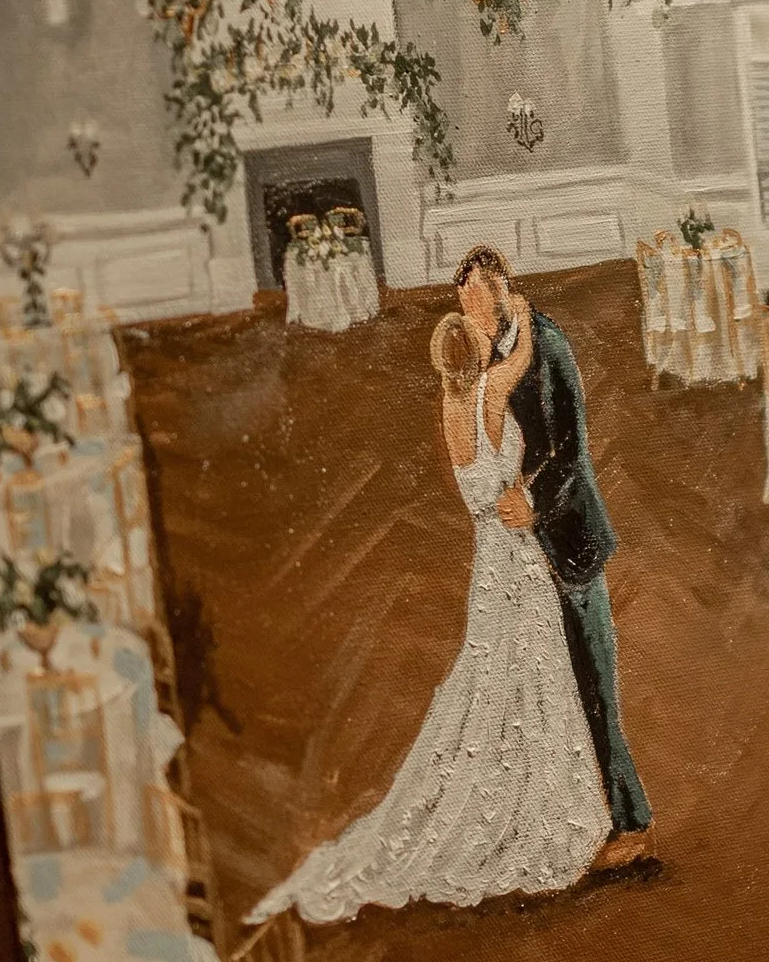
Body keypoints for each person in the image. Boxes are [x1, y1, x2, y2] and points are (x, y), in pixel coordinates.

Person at [246, 303, 609, 926]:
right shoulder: (489, 398)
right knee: (532, 675)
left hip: (486, 558)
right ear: (472, 356)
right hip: (516, 556)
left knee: (493, 673)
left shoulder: (449, 412)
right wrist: (517, 310)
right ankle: (536, 806)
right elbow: (520, 358)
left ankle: (500, 790)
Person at [452, 244, 653, 864]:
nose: (473, 322)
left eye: (478, 307)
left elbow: (571, 449)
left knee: (594, 686)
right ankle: (572, 816)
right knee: (552, 694)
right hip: (524, 558)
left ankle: (634, 823)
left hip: (569, 542)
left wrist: (534, 504)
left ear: (503, 289)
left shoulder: (550, 345)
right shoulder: (495, 357)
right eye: (464, 311)